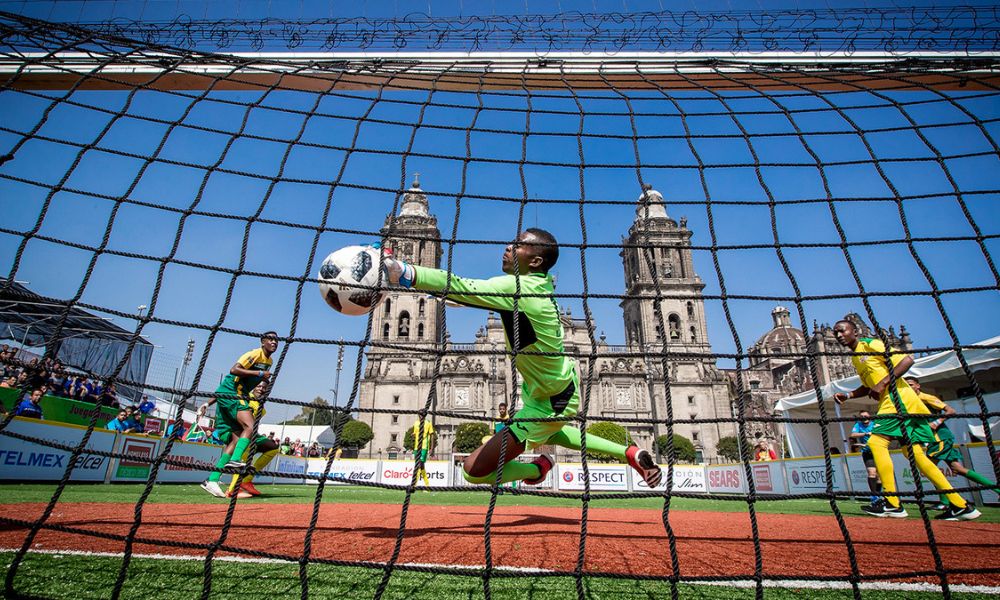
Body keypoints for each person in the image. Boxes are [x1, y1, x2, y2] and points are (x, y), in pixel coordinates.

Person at [384, 228, 662, 488]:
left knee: (472, 470)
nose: (508, 247)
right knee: (551, 431)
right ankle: (630, 452)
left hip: (550, 400)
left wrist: (404, 271)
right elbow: (473, 295)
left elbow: (459, 284)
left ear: (536, 260)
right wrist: (461, 296)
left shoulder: (517, 289)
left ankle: (537, 470)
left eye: (518, 245)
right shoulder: (538, 287)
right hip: (552, 391)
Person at [831, 319, 979, 520]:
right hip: (899, 402)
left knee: (876, 442)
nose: (839, 335)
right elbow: (869, 386)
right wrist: (848, 396)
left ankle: (893, 503)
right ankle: (960, 505)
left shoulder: (870, 344)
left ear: (854, 331)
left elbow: (907, 359)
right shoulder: (857, 357)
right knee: (914, 454)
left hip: (897, 400)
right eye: (835, 333)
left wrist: (883, 383)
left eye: (842, 331)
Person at [196, 331, 278, 498]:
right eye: (270, 339)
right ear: (262, 342)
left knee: (237, 437)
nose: (274, 342)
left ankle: (212, 480)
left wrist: (206, 403)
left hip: (233, 394)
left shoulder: (269, 361)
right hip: (233, 393)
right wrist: (260, 374)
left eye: (276, 340)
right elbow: (233, 370)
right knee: (249, 426)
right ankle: (235, 464)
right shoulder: (255, 354)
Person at [906, 376, 999, 511]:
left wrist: (936, 422)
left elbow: (951, 411)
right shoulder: (910, 401)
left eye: (911, 385)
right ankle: (997, 490)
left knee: (928, 468)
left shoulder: (927, 397)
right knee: (957, 469)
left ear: (918, 386)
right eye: (907, 385)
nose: (909, 388)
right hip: (934, 438)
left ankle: (945, 501)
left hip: (940, 437)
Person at [221, 381, 280, 499]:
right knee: (244, 456)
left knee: (273, 448)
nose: (261, 389)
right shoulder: (245, 398)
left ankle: (246, 480)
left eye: (264, 387)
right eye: (258, 386)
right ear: (253, 387)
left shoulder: (261, 407)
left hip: (250, 434)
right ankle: (232, 490)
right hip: (236, 432)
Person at [849, 410, 881, 506]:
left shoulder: (875, 423)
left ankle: (879, 496)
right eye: (862, 416)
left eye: (866, 415)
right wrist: (866, 434)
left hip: (879, 451)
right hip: (867, 452)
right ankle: (874, 497)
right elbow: (853, 435)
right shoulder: (858, 425)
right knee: (872, 473)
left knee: (879, 478)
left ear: (869, 416)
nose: (864, 417)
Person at [412, 418, 435, 487]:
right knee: (420, 465)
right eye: (419, 414)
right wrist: (413, 436)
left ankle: (414, 484)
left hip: (424, 447)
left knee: (419, 464)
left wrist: (432, 447)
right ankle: (427, 484)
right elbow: (415, 433)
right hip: (416, 447)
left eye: (422, 415)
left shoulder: (428, 423)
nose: (420, 416)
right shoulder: (416, 423)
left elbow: (432, 435)